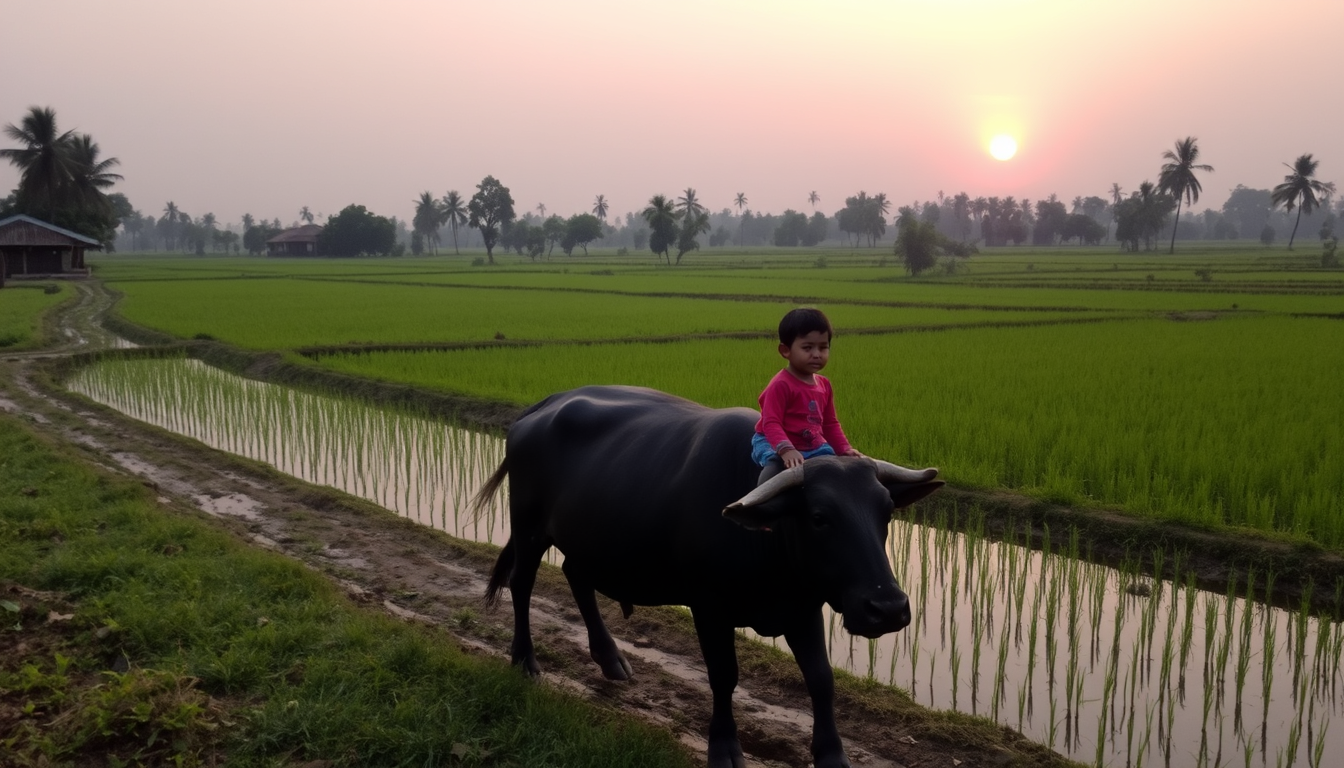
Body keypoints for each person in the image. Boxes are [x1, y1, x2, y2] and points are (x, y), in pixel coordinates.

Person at [752, 307, 863, 484]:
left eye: (823, 347)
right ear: (785, 351)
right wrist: (786, 450)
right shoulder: (781, 385)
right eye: (807, 348)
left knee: (836, 470)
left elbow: (830, 423)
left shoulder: (824, 385)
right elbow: (771, 422)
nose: (817, 355)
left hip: (811, 444)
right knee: (774, 469)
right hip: (774, 441)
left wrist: (844, 449)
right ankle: (759, 506)